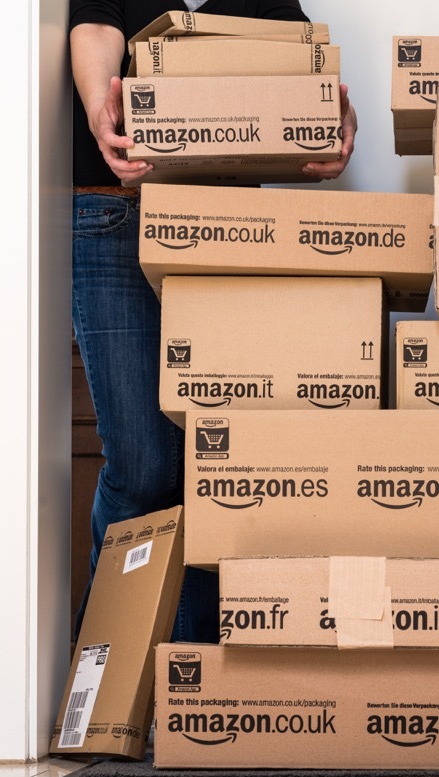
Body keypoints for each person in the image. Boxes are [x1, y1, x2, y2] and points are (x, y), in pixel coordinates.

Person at [67, 0, 358, 642]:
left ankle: (192, 696)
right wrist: (98, 110)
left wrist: (336, 121)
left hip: (220, 230)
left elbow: (305, 69)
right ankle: (108, 680)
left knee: (215, 469)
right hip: (116, 218)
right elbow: (93, 28)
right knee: (143, 469)